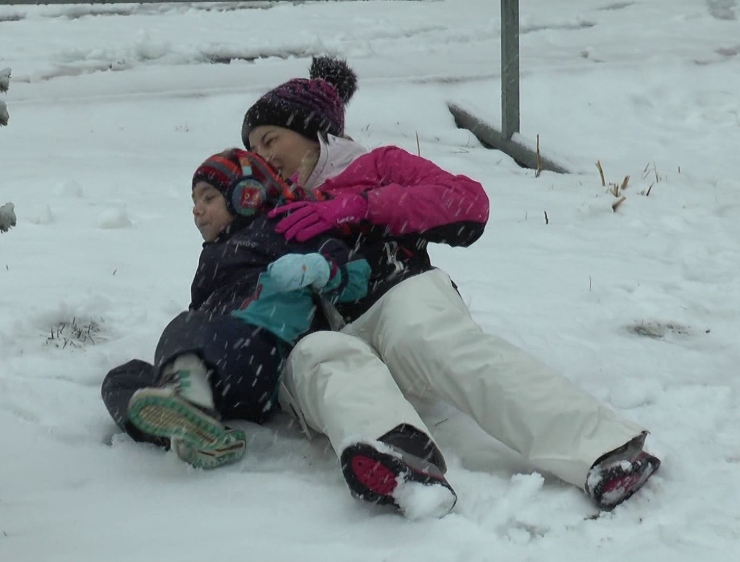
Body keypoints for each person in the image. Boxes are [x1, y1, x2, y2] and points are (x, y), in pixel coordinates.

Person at [241, 56, 661, 518]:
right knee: (318, 357)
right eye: (251, 149)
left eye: (269, 139)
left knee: (427, 338)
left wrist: (356, 208)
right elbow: (226, 284)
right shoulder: (257, 208)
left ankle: (603, 450)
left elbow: (466, 201)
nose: (261, 157)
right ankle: (397, 459)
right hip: (320, 331)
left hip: (397, 293)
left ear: (313, 129)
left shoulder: (377, 165)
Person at [100, 148, 370, 469]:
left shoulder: (283, 225)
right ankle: (192, 430)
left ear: (246, 196)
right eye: (194, 202)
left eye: (208, 198)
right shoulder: (212, 256)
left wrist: (319, 268)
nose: (197, 211)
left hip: (263, 348)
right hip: (223, 371)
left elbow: (357, 274)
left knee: (187, 325)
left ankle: (188, 400)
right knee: (121, 378)